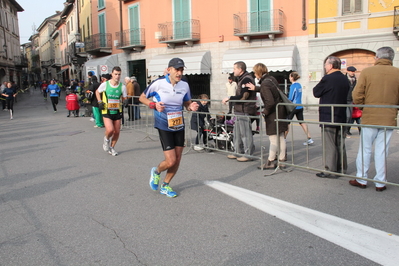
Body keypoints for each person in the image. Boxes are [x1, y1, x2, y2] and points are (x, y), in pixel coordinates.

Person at [139, 58, 199, 198]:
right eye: (177, 70)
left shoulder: (184, 85)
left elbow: (187, 103)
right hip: (163, 125)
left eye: (182, 70)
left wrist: (191, 106)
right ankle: (157, 171)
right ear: (169, 69)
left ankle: (165, 185)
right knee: (171, 161)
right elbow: (142, 97)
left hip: (179, 125)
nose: (179, 73)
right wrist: (154, 105)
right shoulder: (158, 84)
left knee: (177, 159)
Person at [349, 46, 399, 192]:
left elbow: (357, 95)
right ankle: (380, 182)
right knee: (382, 151)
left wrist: (364, 107)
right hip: (389, 118)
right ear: (391, 59)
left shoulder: (367, 72)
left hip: (370, 117)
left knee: (365, 149)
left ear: (377, 58)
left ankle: (362, 178)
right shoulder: (397, 73)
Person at [313, 56, 349, 178]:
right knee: (340, 143)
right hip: (341, 115)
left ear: (331, 66)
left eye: (326, 65)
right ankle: (341, 167)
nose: (325, 67)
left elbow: (316, 92)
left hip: (329, 115)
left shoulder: (327, 78)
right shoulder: (345, 78)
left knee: (329, 144)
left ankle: (330, 169)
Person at [247, 63, 289, 169]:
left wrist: (264, 112)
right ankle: (282, 160)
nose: (254, 74)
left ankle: (270, 161)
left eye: (255, 72)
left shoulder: (265, 83)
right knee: (281, 137)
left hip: (273, 114)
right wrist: (256, 88)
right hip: (280, 111)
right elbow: (270, 90)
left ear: (258, 72)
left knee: (273, 138)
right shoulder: (271, 79)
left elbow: (269, 101)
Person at [222, 61, 256, 162]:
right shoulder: (242, 79)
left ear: (240, 69)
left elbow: (244, 96)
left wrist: (230, 98)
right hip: (239, 110)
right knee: (237, 133)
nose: (233, 71)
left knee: (245, 133)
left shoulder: (247, 79)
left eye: (234, 69)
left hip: (244, 109)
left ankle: (248, 154)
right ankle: (237, 151)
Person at [95, 67, 127, 156]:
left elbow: (124, 97)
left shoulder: (122, 86)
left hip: (117, 111)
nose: (117, 76)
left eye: (119, 74)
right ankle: (106, 139)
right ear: (112, 74)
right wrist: (100, 101)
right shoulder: (105, 84)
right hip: (107, 111)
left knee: (117, 132)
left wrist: (125, 101)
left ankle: (112, 148)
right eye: (115, 74)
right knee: (110, 130)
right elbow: (97, 92)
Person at [286, 72, 314, 145]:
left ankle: (284, 138)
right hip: (300, 106)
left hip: (293, 107)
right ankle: (309, 138)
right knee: (302, 122)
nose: (289, 78)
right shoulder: (299, 85)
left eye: (289, 76)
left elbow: (291, 98)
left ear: (292, 77)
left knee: (287, 122)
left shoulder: (293, 86)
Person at [344, 66, 357, 137]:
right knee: (347, 116)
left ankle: (347, 130)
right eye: (351, 71)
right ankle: (344, 131)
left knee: (350, 117)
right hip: (345, 99)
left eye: (353, 71)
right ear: (348, 71)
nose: (352, 73)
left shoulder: (355, 80)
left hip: (351, 100)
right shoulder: (344, 79)